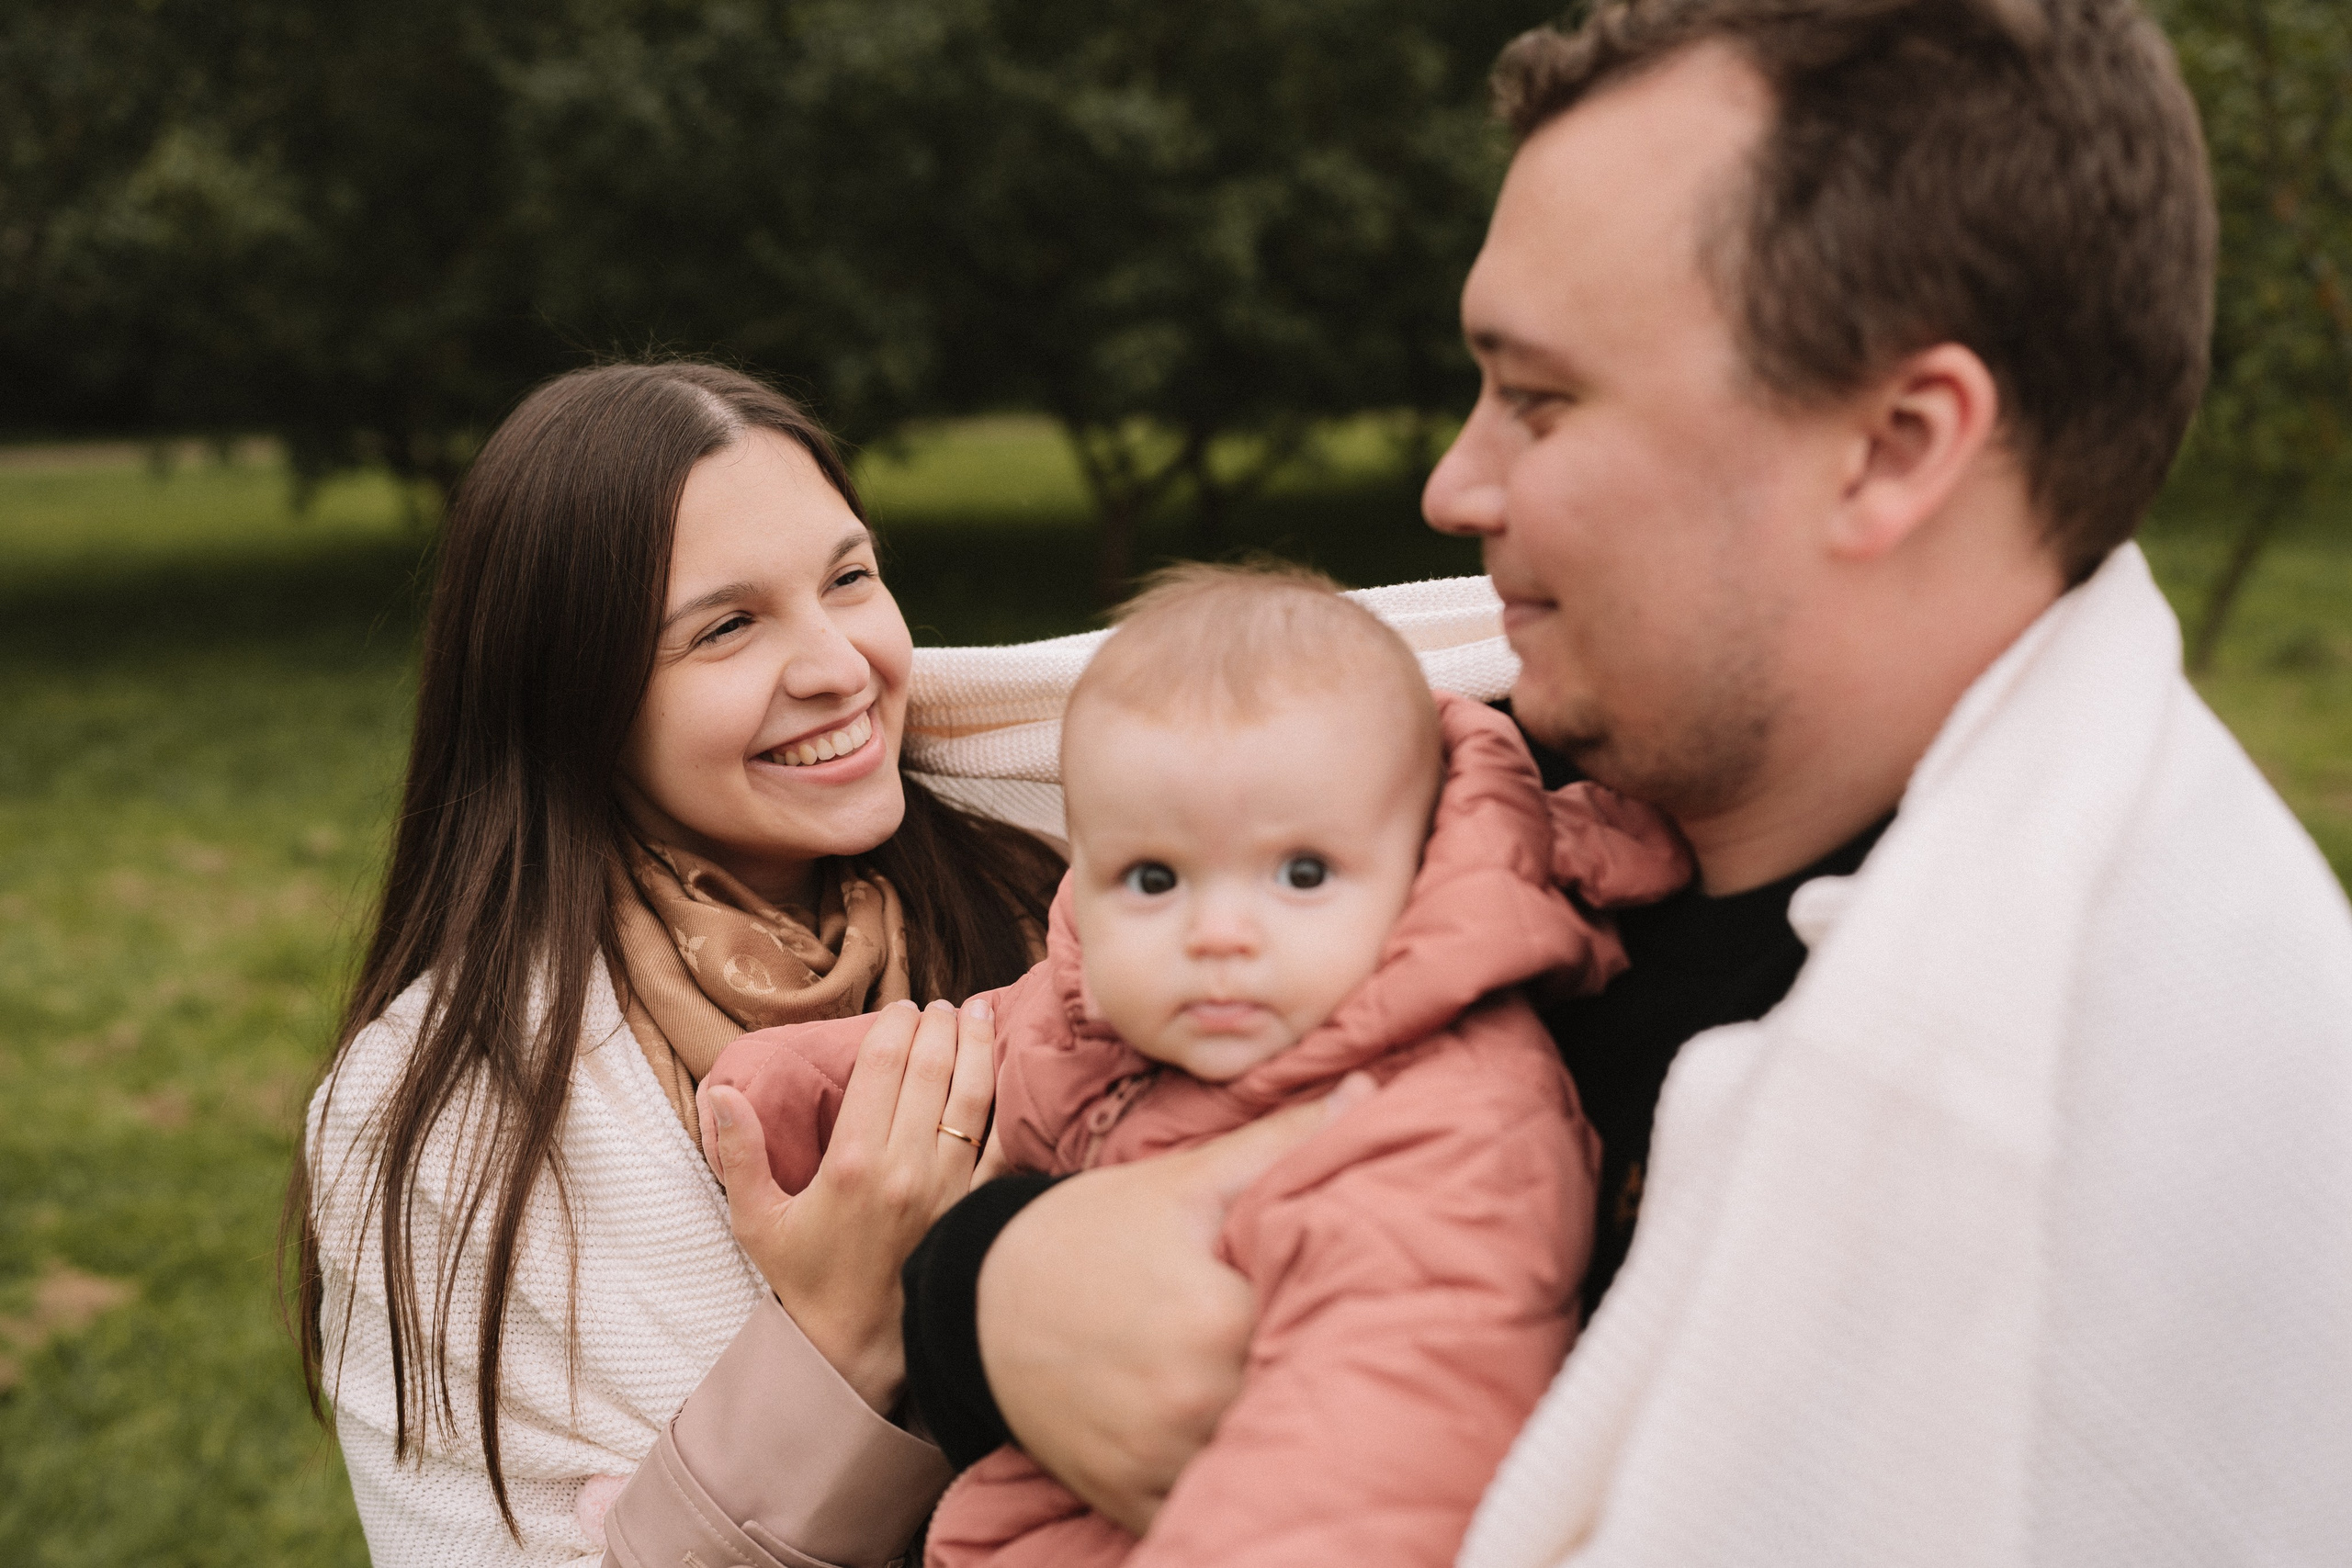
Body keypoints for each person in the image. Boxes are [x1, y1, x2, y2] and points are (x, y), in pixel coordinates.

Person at [897, 2, 2352, 1562]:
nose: (1453, 483)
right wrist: (991, 1283)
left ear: (1896, 446)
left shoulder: (2083, 1140)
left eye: (1539, 397)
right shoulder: (1440, 786)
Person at [701, 565, 1690, 1567]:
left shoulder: (1446, 1123)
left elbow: (1370, 1477)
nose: (1218, 932)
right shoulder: (1105, 1007)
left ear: (1420, 861)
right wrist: (793, 1089)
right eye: (1155, 877)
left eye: (1301, 874)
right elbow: (981, 1044)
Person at [293, 359, 1067, 1567]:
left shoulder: (1069, 901)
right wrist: (835, 1337)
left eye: (849, 576)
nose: (839, 665)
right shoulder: (441, 1115)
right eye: (726, 625)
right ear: (576, 703)